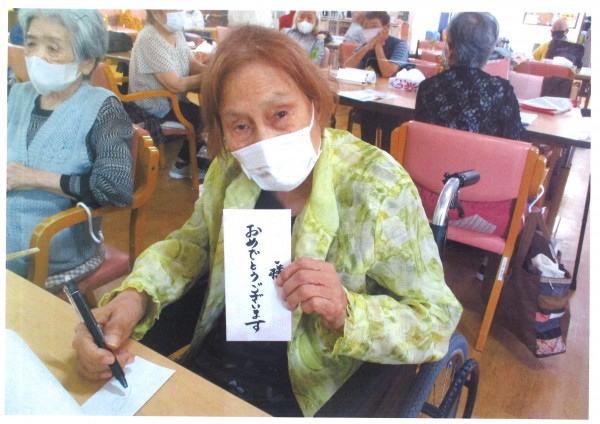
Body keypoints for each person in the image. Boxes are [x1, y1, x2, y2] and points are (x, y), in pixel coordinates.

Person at [71, 25, 462, 418]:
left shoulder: (377, 186)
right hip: (217, 368)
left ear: (315, 103)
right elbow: (192, 245)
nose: (263, 141)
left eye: (281, 114)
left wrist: (347, 310)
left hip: (317, 392)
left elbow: (436, 319)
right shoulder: (230, 169)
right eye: (240, 126)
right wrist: (134, 297)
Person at [7, 9, 133, 291]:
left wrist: (34, 178)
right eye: (31, 44)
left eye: (52, 48)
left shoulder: (103, 109)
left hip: (52, 258)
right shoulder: (16, 95)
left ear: (86, 61)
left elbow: (116, 189)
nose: (37, 57)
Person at [414, 12, 525, 141]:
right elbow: (515, 141)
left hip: (435, 154)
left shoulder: (428, 87)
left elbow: (420, 138)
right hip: (483, 154)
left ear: (449, 45)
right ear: (489, 50)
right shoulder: (501, 90)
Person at [128, 9, 207, 180]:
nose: (181, 12)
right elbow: (175, 84)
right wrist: (209, 76)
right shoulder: (149, 38)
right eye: (174, 8)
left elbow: (192, 64)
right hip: (153, 105)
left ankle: (187, 162)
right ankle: (182, 165)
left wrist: (214, 69)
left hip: (172, 100)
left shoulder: (176, 33)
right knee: (207, 117)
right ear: (156, 13)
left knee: (209, 112)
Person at [343, 11, 410, 152]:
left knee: (388, 121)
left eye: (373, 26)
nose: (369, 30)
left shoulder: (400, 45)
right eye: (365, 27)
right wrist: (367, 47)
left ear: (386, 27)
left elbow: (388, 72)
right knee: (367, 113)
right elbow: (346, 67)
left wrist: (379, 46)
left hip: (394, 103)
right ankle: (368, 155)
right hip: (369, 100)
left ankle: (386, 155)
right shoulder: (365, 45)